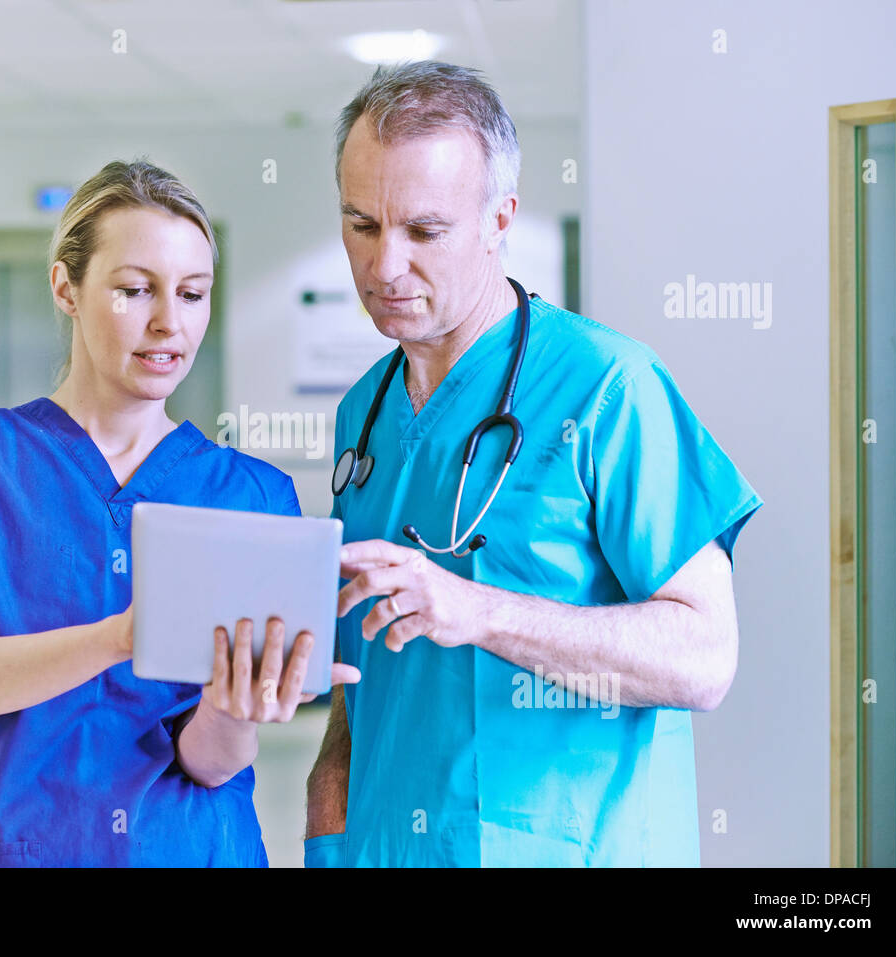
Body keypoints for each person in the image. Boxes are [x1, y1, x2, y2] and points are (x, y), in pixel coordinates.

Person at [304, 62, 762, 867]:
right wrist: (330, 795)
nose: (382, 267)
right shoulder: (364, 412)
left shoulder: (609, 388)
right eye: (362, 225)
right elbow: (368, 652)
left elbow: (705, 656)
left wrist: (480, 611)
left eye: (424, 231)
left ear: (499, 219)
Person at [0, 158, 356, 867]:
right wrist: (121, 638)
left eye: (193, 293)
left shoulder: (253, 495)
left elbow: (210, 763)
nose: (168, 323)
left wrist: (239, 706)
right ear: (67, 287)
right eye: (134, 289)